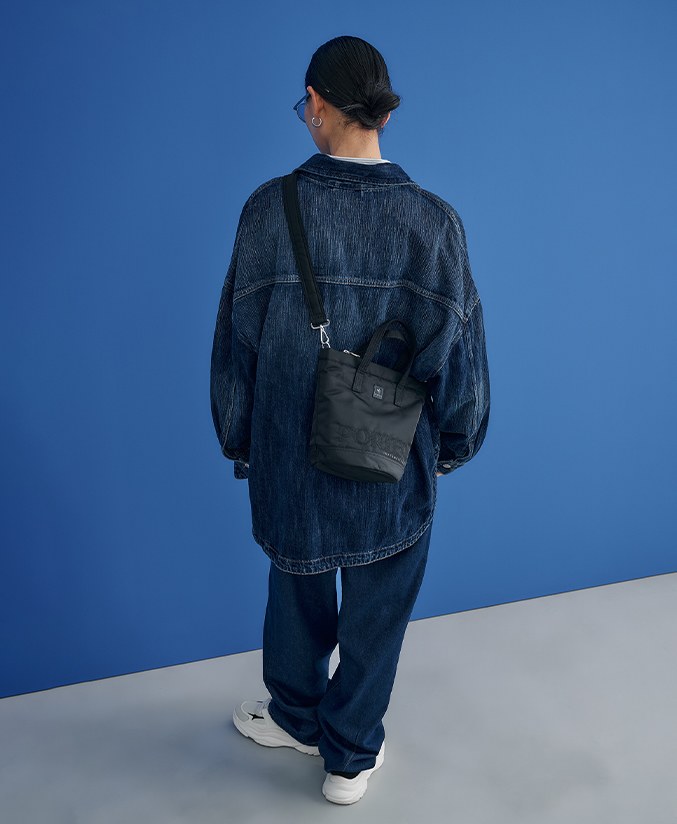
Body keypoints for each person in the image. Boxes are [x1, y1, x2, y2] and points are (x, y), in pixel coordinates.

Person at [210, 35, 491, 805]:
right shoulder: (433, 222)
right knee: (379, 603)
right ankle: (348, 757)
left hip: (288, 452)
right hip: (391, 454)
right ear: (382, 114)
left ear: (316, 105)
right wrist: (452, 444)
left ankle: (295, 717)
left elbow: (236, 345)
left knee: (295, 585)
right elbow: (461, 355)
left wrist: (242, 440)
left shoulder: (269, 210)